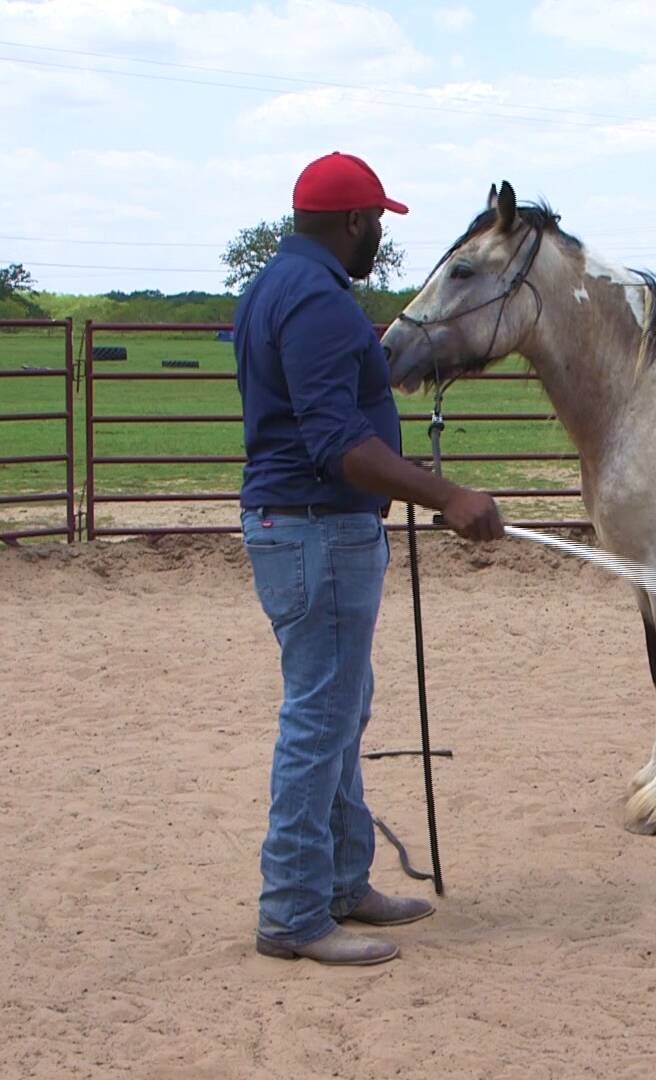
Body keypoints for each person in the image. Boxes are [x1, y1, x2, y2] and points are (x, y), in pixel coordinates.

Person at [233, 152, 504, 966]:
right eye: (377, 221)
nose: (380, 236)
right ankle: (291, 912)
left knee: (339, 711)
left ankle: (343, 882)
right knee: (319, 721)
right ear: (352, 221)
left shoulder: (280, 286)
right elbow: (335, 444)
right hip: (319, 531)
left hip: (310, 530)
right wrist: (445, 495)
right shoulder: (315, 299)